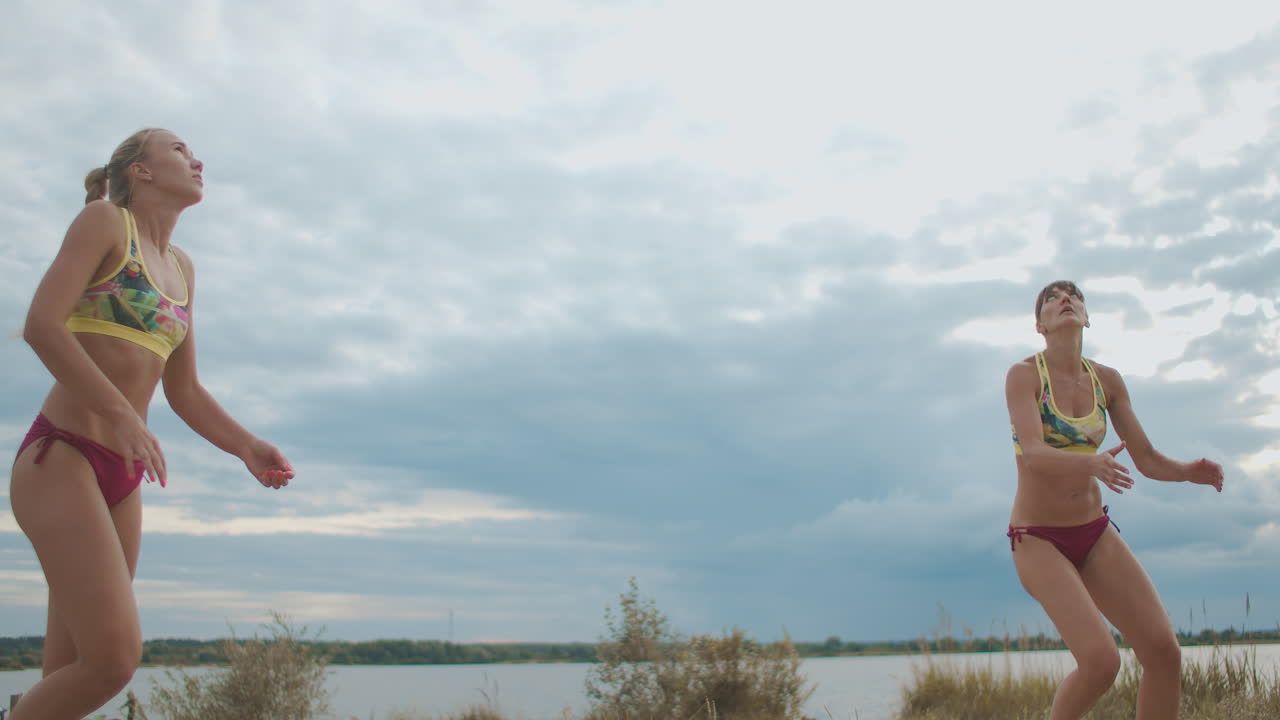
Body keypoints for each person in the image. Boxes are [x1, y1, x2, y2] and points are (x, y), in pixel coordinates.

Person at [8, 128, 295, 720]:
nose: (197, 159)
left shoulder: (183, 269)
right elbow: (41, 325)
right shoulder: (105, 223)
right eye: (180, 150)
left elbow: (183, 388)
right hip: (63, 457)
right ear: (140, 170)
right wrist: (121, 415)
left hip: (122, 476)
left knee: (71, 674)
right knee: (114, 661)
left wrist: (246, 446)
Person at [1005, 280, 1224, 720]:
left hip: (1093, 533)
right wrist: (1089, 464)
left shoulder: (1106, 381)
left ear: (1086, 317)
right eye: (1051, 298)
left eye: (1073, 296)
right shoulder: (1025, 375)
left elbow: (1144, 457)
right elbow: (1033, 453)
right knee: (1102, 662)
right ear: (1039, 324)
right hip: (1038, 539)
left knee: (1163, 651)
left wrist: (1185, 473)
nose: (1064, 299)